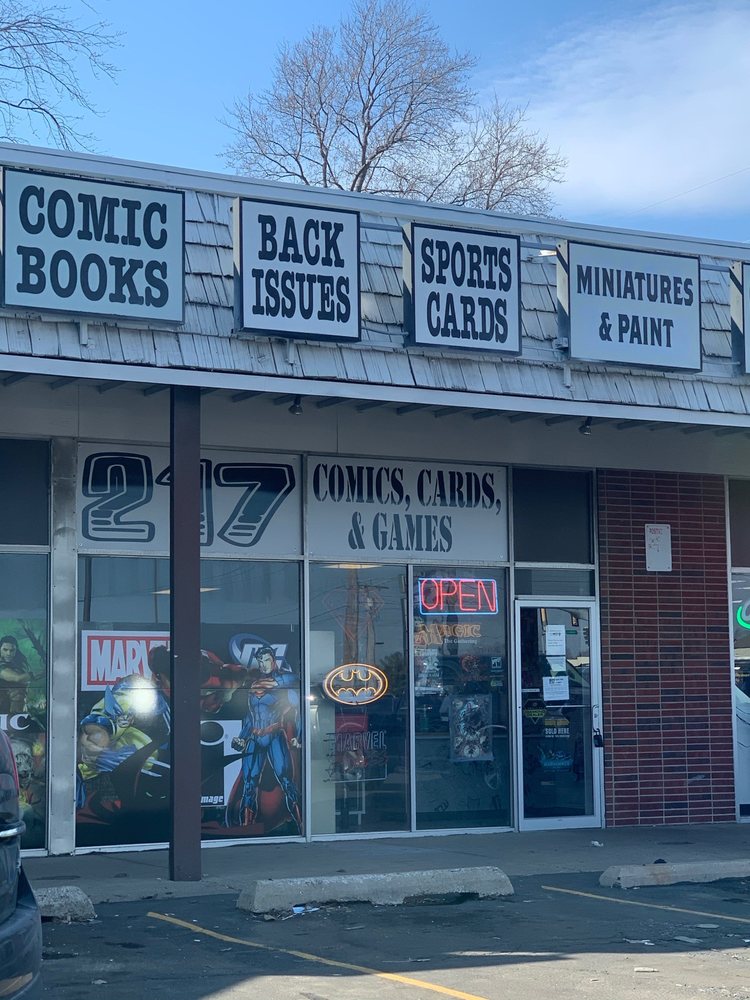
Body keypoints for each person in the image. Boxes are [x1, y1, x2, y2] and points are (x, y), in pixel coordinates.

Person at [228, 646, 302, 833]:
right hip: (255, 736)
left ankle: (302, 825)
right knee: (249, 784)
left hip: (274, 734)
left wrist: (298, 736)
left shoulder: (284, 680)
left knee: (286, 781)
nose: (263, 664)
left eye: (267, 660)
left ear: (273, 660)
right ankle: (245, 828)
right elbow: (249, 717)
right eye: (260, 661)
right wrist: (242, 738)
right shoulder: (253, 684)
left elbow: (297, 703)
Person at [0, 635, 31, 714]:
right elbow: (17, 678)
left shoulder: (18, 665)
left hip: (16, 709)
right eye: (5, 650)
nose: (8, 653)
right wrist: (40, 674)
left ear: (16, 650)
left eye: (12, 650)